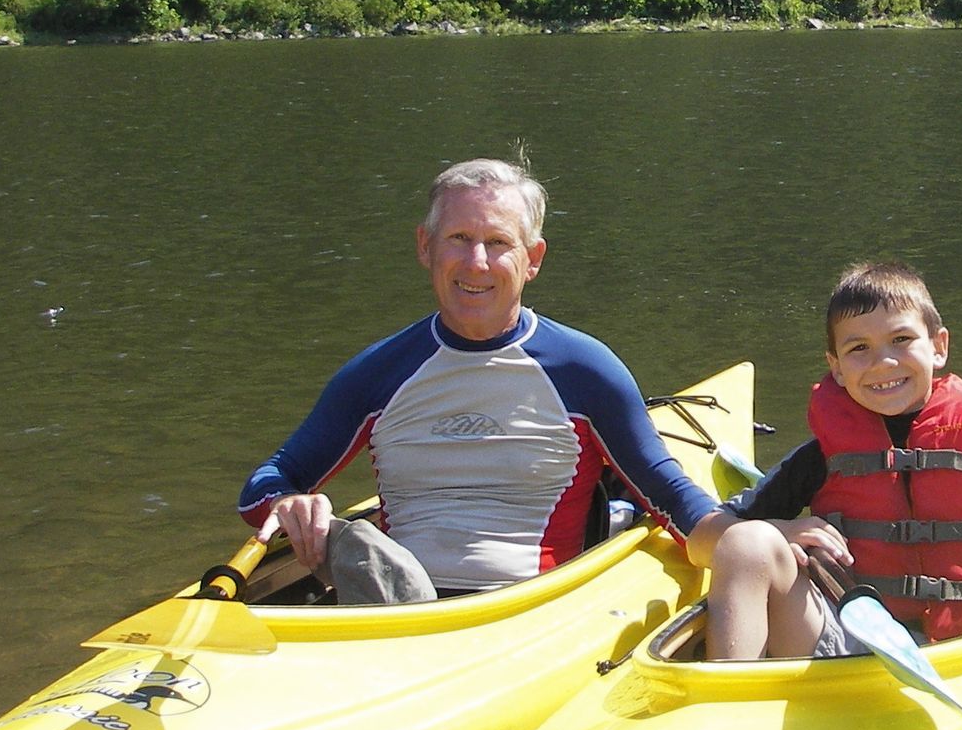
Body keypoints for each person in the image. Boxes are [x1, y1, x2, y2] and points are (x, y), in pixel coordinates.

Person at [237, 156, 716, 602]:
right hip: (397, 611)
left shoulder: (585, 370)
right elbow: (266, 483)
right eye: (459, 239)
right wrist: (287, 505)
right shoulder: (379, 372)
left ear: (533, 258)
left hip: (528, 613)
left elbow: (667, 494)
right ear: (425, 246)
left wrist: (746, 537)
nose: (477, 263)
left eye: (498, 243)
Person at [686, 261, 962, 659]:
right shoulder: (822, 454)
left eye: (901, 339)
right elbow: (703, 540)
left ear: (939, 346)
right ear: (837, 368)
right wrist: (784, 529)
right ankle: (732, 700)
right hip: (849, 641)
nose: (883, 362)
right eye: (858, 348)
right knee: (746, 542)